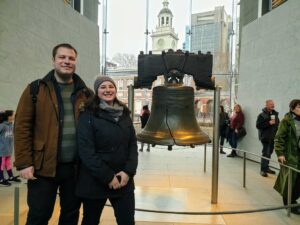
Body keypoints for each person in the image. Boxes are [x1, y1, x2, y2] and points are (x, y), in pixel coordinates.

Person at [14, 43, 92, 225]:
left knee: (71, 215)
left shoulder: (86, 94)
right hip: (43, 168)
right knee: (39, 215)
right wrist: (24, 162)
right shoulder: (35, 90)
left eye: (71, 58)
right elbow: (21, 127)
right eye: (62, 57)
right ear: (53, 61)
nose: (67, 61)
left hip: (75, 168)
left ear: (75, 62)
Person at [76, 76, 138, 225]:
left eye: (111, 86)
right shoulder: (88, 114)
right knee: (91, 220)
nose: (107, 90)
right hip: (95, 180)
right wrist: (108, 176)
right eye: (103, 87)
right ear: (97, 91)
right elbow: (86, 151)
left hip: (123, 179)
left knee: (127, 221)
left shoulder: (124, 113)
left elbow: (132, 145)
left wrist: (128, 171)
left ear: (115, 90)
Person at [274, 99, 300, 215]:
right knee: (289, 180)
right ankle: (288, 204)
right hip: (289, 156)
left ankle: (293, 200)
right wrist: (280, 153)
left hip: (298, 155)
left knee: (298, 180)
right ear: (292, 108)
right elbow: (279, 138)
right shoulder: (287, 121)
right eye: (299, 107)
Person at [256, 100, 279, 177]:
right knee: (266, 153)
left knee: (269, 153)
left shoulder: (275, 114)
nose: (273, 105)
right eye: (271, 104)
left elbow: (277, 125)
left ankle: (266, 168)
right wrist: (268, 123)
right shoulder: (262, 115)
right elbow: (258, 125)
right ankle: (263, 170)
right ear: (266, 105)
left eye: (273, 104)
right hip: (265, 137)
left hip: (273, 137)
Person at [0, 110, 21, 186]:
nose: (14, 116)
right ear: (8, 117)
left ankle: (11, 177)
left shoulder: (11, 125)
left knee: (8, 164)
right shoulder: (2, 125)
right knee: (1, 165)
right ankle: (1, 179)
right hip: (2, 151)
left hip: (8, 150)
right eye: (13, 115)